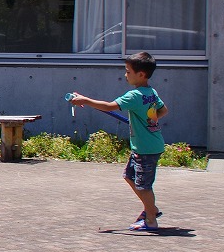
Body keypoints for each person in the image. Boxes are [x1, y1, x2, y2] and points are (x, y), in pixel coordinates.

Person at [69, 52, 169, 231]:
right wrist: (150, 120)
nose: (125, 75)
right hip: (147, 145)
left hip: (145, 148)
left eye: (128, 71)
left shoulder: (134, 95)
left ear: (141, 74)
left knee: (143, 185)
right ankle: (151, 209)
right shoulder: (151, 92)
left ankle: (151, 218)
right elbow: (163, 111)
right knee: (129, 176)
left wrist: (85, 100)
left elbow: (109, 106)